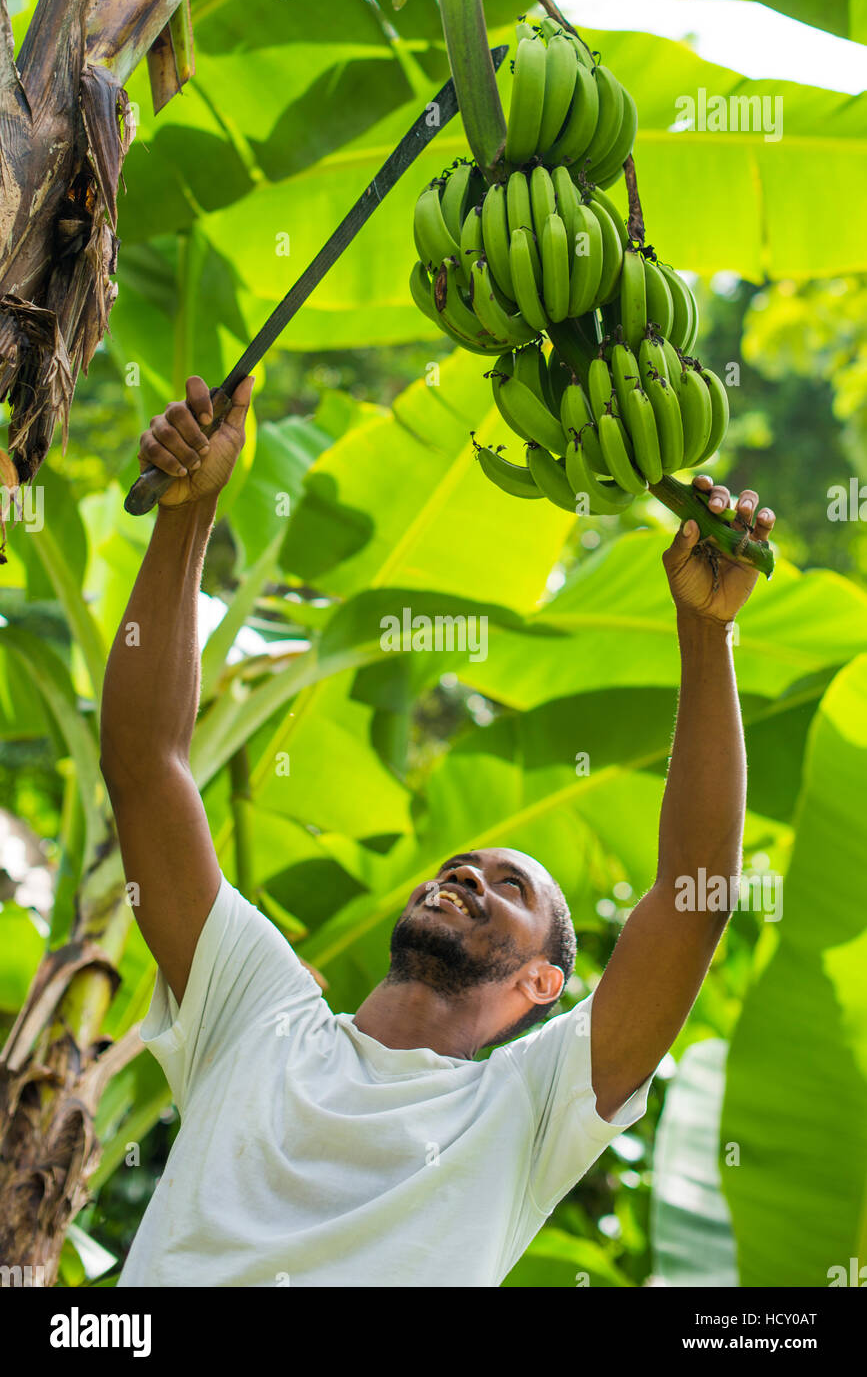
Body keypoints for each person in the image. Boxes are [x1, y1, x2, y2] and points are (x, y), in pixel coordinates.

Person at [102, 374, 775, 1287]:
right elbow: (146, 770)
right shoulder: (257, 1016)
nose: (469, 874)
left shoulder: (527, 1110)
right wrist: (190, 509)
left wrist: (706, 633)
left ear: (544, 981)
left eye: (512, 885)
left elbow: (695, 897)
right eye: (465, 864)